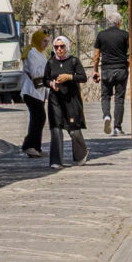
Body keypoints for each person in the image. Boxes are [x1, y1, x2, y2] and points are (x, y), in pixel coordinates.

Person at [43, 35, 87, 168]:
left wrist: (69, 77)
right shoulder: (51, 63)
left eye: (62, 47)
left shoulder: (74, 61)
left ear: (67, 46)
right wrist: (51, 84)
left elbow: (83, 77)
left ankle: (81, 154)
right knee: (56, 129)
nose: (59, 50)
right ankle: (56, 161)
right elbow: (45, 79)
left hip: (71, 99)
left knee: (74, 130)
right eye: (56, 47)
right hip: (55, 99)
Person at [94, 6, 130, 137]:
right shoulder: (125, 35)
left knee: (105, 96)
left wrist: (95, 71)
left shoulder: (101, 35)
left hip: (106, 70)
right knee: (119, 99)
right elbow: (131, 52)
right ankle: (117, 128)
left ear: (108, 23)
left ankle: (106, 116)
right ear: (119, 22)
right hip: (121, 69)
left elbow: (96, 55)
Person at [21, 30, 48, 156]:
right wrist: (48, 67)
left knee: (39, 118)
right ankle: (29, 145)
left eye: (47, 41)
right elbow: (35, 73)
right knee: (38, 117)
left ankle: (36, 148)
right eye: (44, 41)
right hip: (31, 91)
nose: (46, 44)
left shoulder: (40, 53)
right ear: (38, 40)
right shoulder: (32, 53)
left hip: (39, 91)